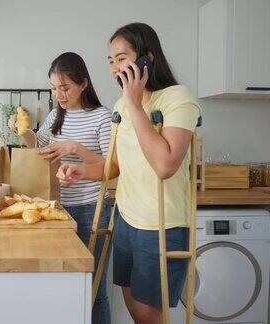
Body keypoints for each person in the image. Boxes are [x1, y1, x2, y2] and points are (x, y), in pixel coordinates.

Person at [57, 23, 202, 324]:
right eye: (110, 61)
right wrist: (80, 171)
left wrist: (136, 107)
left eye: (121, 58)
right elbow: (114, 165)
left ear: (147, 58)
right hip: (126, 218)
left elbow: (165, 165)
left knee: (150, 314)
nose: (114, 68)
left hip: (162, 224)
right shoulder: (121, 105)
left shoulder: (178, 99)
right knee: (133, 306)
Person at [10, 52, 112, 324]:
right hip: (58, 209)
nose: (59, 94)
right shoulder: (57, 114)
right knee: (66, 285)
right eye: (55, 88)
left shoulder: (103, 117)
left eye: (65, 88)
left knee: (94, 287)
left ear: (84, 84)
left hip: (93, 208)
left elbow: (111, 167)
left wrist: (74, 148)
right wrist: (22, 132)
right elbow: (39, 148)